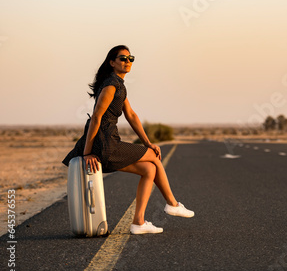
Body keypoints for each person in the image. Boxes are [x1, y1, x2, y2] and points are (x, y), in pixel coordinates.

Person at [62, 44, 194, 234]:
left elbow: (131, 115)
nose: (127, 62)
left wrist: (147, 142)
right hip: (105, 143)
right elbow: (97, 117)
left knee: (149, 168)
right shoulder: (111, 85)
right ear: (112, 62)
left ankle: (138, 223)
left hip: (107, 141)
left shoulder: (118, 84)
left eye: (130, 58)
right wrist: (88, 152)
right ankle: (172, 204)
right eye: (122, 58)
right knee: (153, 158)